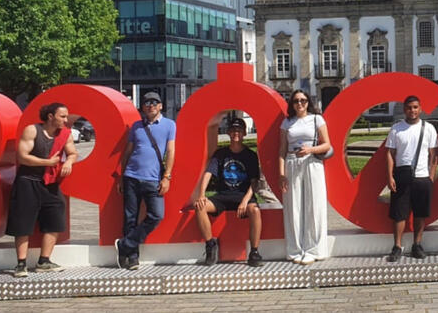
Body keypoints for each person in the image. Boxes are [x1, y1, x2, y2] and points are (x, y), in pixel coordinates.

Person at [5, 102, 78, 278]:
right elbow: (23, 157)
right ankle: (21, 264)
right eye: (62, 116)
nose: (66, 120)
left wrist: (68, 162)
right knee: (22, 222)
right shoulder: (32, 130)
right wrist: (47, 162)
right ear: (50, 116)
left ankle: (44, 261)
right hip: (27, 181)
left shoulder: (65, 134)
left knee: (56, 219)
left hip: (50, 183)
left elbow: (73, 153)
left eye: (66, 117)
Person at [115, 91, 176, 270]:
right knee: (130, 218)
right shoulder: (136, 126)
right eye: (147, 103)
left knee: (157, 215)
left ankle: (125, 244)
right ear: (142, 107)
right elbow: (128, 152)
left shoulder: (169, 125)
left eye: (154, 102)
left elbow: (171, 151)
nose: (151, 106)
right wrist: (121, 176)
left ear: (161, 106)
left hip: (153, 179)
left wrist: (167, 176)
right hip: (131, 177)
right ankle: (132, 257)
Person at [192, 117, 263, 267]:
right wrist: (201, 194)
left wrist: (245, 201)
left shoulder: (250, 155)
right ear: (228, 133)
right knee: (200, 206)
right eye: (233, 130)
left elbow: (254, 182)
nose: (236, 133)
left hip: (243, 196)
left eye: (239, 130)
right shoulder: (220, 154)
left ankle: (254, 252)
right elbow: (208, 173)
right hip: (223, 195)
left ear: (244, 133)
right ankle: (211, 245)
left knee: (255, 211)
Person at [278, 90, 331, 264]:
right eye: (296, 101)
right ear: (291, 104)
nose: (299, 103)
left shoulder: (317, 119)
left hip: (312, 162)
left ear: (308, 102)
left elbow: (327, 144)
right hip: (292, 162)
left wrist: (310, 149)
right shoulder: (287, 122)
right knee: (293, 207)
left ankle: (314, 249)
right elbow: (281, 150)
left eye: (303, 100)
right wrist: (281, 174)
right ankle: (295, 250)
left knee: (314, 206)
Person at [385, 95, 438, 262]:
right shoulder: (396, 129)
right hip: (402, 175)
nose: (412, 110)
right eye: (409, 107)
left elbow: (433, 154)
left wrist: (431, 175)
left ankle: (417, 245)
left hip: (422, 177)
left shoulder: (428, 128)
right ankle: (397, 246)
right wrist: (390, 176)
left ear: (420, 109)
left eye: (415, 107)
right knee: (399, 214)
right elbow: (390, 154)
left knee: (420, 213)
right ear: (404, 109)